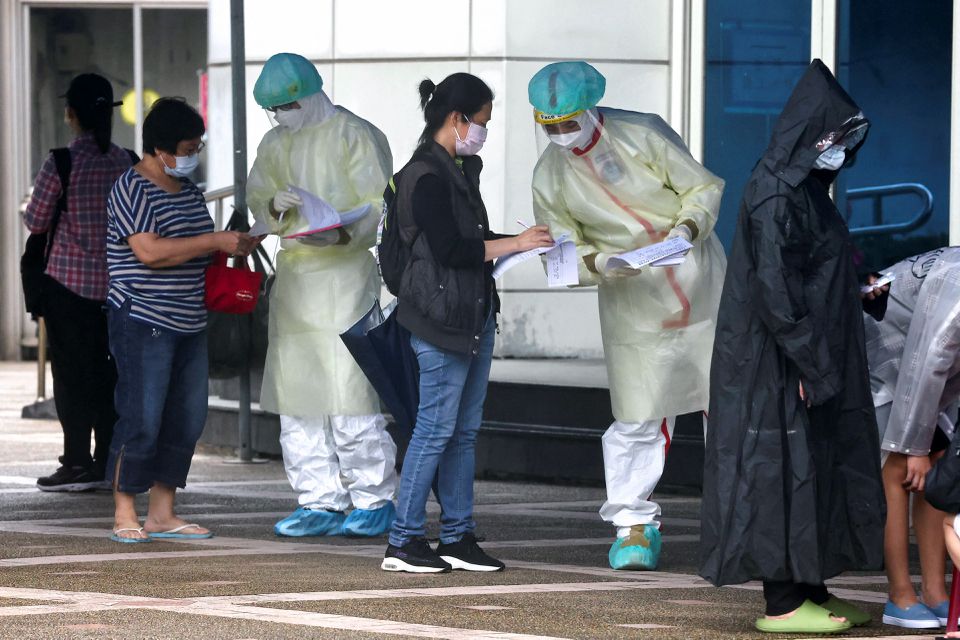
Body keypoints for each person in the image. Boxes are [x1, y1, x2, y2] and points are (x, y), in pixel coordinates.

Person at [700, 59, 884, 634]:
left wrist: (862, 287)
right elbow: (776, 290)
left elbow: (817, 267)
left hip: (811, 356)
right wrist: (808, 360)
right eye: (839, 142)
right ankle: (782, 602)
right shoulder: (774, 193)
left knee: (818, 468)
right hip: (777, 363)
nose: (842, 155)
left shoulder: (804, 188)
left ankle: (814, 589)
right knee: (781, 471)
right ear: (816, 137)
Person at [528, 61, 726, 571]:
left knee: (727, 406)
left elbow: (700, 188)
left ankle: (737, 520)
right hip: (632, 298)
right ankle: (632, 526)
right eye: (548, 127)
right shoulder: (550, 172)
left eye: (567, 122)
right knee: (638, 413)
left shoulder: (643, 133)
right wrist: (601, 264)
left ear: (592, 110)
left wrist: (687, 229)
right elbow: (561, 252)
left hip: (698, 281)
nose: (560, 135)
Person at [381, 73, 554, 573]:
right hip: (439, 322)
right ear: (456, 119)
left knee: (463, 432)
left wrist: (529, 240)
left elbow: (474, 237)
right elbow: (452, 250)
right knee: (434, 430)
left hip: (472, 317)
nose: (483, 132)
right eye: (481, 122)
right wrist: (514, 246)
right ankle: (404, 540)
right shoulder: (426, 176)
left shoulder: (458, 169)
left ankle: (457, 536)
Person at [247, 53, 398, 538]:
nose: (281, 116)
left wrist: (341, 234)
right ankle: (318, 500)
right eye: (273, 109)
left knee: (351, 392)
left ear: (311, 93)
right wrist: (273, 206)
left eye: (287, 105)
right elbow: (258, 198)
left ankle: (374, 498)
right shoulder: (274, 143)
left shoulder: (356, 134)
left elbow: (379, 203)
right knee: (300, 396)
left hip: (346, 276)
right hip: (296, 279)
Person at [105, 97, 255, 543]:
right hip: (143, 319)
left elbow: (195, 248)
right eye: (189, 146)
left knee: (186, 418)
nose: (194, 154)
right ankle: (125, 509)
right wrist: (213, 238)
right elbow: (148, 251)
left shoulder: (187, 191)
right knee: (142, 416)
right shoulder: (131, 188)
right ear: (161, 148)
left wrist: (233, 245)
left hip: (190, 320)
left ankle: (163, 511)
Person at [23, 73, 134, 492]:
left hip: (67, 288)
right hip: (120, 289)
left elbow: (36, 221)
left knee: (71, 376)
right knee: (112, 375)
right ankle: (108, 461)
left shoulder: (61, 162)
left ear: (71, 115)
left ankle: (75, 462)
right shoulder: (126, 161)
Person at [863, 247, 960, 629]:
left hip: (935, 375)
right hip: (882, 353)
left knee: (935, 474)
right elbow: (929, 355)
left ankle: (936, 593)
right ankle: (900, 595)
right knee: (899, 470)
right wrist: (913, 445)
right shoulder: (955, 281)